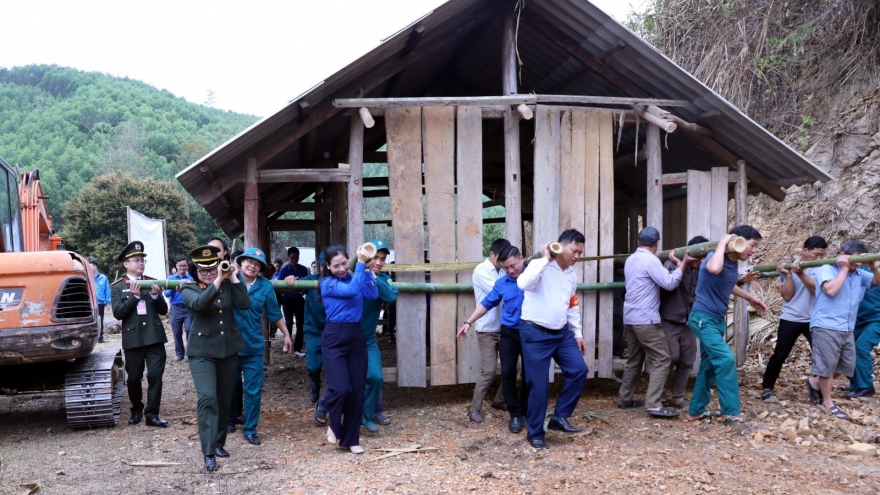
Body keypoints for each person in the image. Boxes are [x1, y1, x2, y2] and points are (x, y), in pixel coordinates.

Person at [685, 226, 767, 424]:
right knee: (726, 359)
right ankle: (730, 411)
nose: (753, 250)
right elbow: (713, 269)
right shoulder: (715, 257)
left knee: (709, 366)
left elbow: (727, 284)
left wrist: (751, 299)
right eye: (752, 245)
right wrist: (723, 242)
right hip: (703, 319)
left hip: (717, 320)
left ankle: (695, 411)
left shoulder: (731, 264)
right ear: (737, 242)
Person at [517, 230, 588, 450]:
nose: (577, 256)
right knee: (538, 385)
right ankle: (536, 434)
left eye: (580, 252)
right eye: (574, 250)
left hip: (561, 333)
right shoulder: (541, 266)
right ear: (561, 246)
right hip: (535, 333)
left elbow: (572, 305)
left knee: (578, 370)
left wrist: (577, 333)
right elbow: (523, 283)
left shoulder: (571, 276)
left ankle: (559, 417)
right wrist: (545, 258)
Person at [181, 244, 250, 472]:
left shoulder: (229, 284)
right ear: (196, 271)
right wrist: (219, 281)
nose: (209, 273)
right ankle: (208, 451)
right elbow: (200, 305)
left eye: (212, 269)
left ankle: (219, 442)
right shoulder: (188, 287)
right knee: (207, 398)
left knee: (223, 399)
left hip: (227, 349)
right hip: (201, 352)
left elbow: (244, 304)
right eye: (203, 271)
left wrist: (235, 278)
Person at [618, 227, 695, 418]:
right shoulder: (651, 260)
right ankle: (653, 404)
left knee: (635, 359)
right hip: (646, 319)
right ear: (656, 244)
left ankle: (624, 399)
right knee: (663, 358)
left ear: (638, 242)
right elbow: (669, 283)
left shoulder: (631, 259)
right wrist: (683, 264)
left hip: (630, 317)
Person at [458, 245, 528, 434]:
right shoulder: (502, 282)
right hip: (508, 331)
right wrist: (468, 321)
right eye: (506, 268)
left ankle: (526, 411)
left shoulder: (533, 276)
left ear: (522, 258)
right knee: (506, 372)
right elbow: (487, 303)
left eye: (513, 266)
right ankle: (514, 414)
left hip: (531, 332)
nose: (510, 271)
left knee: (530, 375)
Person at [807, 240, 880, 419]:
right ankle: (827, 402)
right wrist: (844, 269)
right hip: (826, 324)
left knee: (847, 364)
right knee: (827, 364)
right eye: (854, 261)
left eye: (859, 262)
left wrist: (873, 267)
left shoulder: (860, 273)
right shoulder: (825, 268)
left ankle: (814, 383)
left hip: (847, 325)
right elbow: (830, 290)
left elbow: (877, 282)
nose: (857, 265)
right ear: (843, 254)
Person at [320, 244, 378, 454]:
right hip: (334, 335)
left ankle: (351, 439)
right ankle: (335, 424)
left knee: (357, 389)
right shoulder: (327, 283)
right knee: (341, 387)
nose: (342, 268)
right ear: (328, 266)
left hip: (356, 334)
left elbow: (372, 294)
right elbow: (352, 290)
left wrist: (368, 272)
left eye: (344, 263)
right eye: (336, 265)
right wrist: (360, 265)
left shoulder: (355, 275)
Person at [233, 247, 293, 445]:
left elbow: (275, 314)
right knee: (230, 386)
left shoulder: (266, 286)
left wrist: (286, 334)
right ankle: (230, 418)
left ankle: (250, 428)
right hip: (229, 345)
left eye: (257, 264)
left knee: (253, 389)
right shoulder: (229, 280)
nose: (252, 266)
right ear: (240, 263)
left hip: (253, 345)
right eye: (249, 262)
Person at [110, 241, 169, 427]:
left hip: (154, 337)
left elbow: (163, 309)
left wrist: (154, 295)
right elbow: (118, 313)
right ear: (126, 264)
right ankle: (136, 410)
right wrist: (135, 298)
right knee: (134, 378)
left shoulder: (152, 281)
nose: (140, 263)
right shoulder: (118, 287)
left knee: (155, 376)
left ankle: (152, 414)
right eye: (135, 260)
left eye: (142, 260)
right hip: (133, 339)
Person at [760, 236, 827, 401]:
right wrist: (789, 276)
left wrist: (802, 273)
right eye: (816, 254)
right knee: (780, 353)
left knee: (820, 354)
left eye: (821, 255)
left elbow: (815, 290)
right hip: (791, 317)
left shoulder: (822, 268)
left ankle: (819, 388)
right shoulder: (788, 267)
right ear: (805, 251)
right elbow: (787, 296)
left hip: (814, 319)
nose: (818, 258)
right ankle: (767, 387)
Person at [659, 235, 708, 410]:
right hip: (670, 318)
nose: (700, 261)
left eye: (703, 257)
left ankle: (678, 396)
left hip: (689, 321)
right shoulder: (672, 265)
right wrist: (682, 264)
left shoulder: (704, 270)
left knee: (688, 359)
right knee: (670, 356)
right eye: (698, 257)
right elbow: (665, 284)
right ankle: (660, 392)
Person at [465, 238, 510, 423]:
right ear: (492, 254)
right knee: (489, 371)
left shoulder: (504, 270)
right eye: (501, 258)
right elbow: (498, 292)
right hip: (487, 329)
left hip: (505, 327)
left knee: (512, 368)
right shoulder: (481, 271)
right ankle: (474, 408)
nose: (503, 262)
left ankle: (499, 400)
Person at [360, 239, 399, 433]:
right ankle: (325, 407)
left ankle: (367, 416)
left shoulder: (382, 279)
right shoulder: (353, 274)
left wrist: (373, 276)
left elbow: (391, 296)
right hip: (346, 339)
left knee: (375, 377)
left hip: (367, 339)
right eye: (375, 257)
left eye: (382, 259)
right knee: (344, 382)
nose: (379, 262)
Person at [847, 270, 880, 398]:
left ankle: (866, 386)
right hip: (857, 320)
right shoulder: (848, 272)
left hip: (877, 320)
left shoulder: (874, 275)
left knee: (860, 347)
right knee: (848, 349)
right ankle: (855, 382)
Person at [280, 247, 310, 357]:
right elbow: (278, 287)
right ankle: (287, 343)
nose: (294, 260)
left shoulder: (303, 269)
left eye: (296, 258)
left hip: (298, 299)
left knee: (300, 324)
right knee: (288, 322)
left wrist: (301, 291)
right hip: (287, 299)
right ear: (288, 257)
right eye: (292, 258)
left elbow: (306, 285)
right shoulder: (283, 270)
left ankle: (297, 348)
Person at [165, 255, 195, 361]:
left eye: (184, 266)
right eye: (180, 266)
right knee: (177, 332)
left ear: (187, 266)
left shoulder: (191, 278)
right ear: (176, 266)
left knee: (189, 329)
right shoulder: (171, 278)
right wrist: (174, 289)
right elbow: (166, 294)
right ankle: (179, 353)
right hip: (175, 308)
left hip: (188, 308)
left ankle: (190, 352)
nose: (182, 268)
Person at [90, 260, 111, 343]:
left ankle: (100, 337)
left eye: (90, 266)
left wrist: (109, 303)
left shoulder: (103, 278)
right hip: (90, 303)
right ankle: (92, 338)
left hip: (100, 303)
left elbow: (107, 290)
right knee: (91, 320)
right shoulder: (88, 277)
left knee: (100, 320)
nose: (89, 267)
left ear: (95, 267)